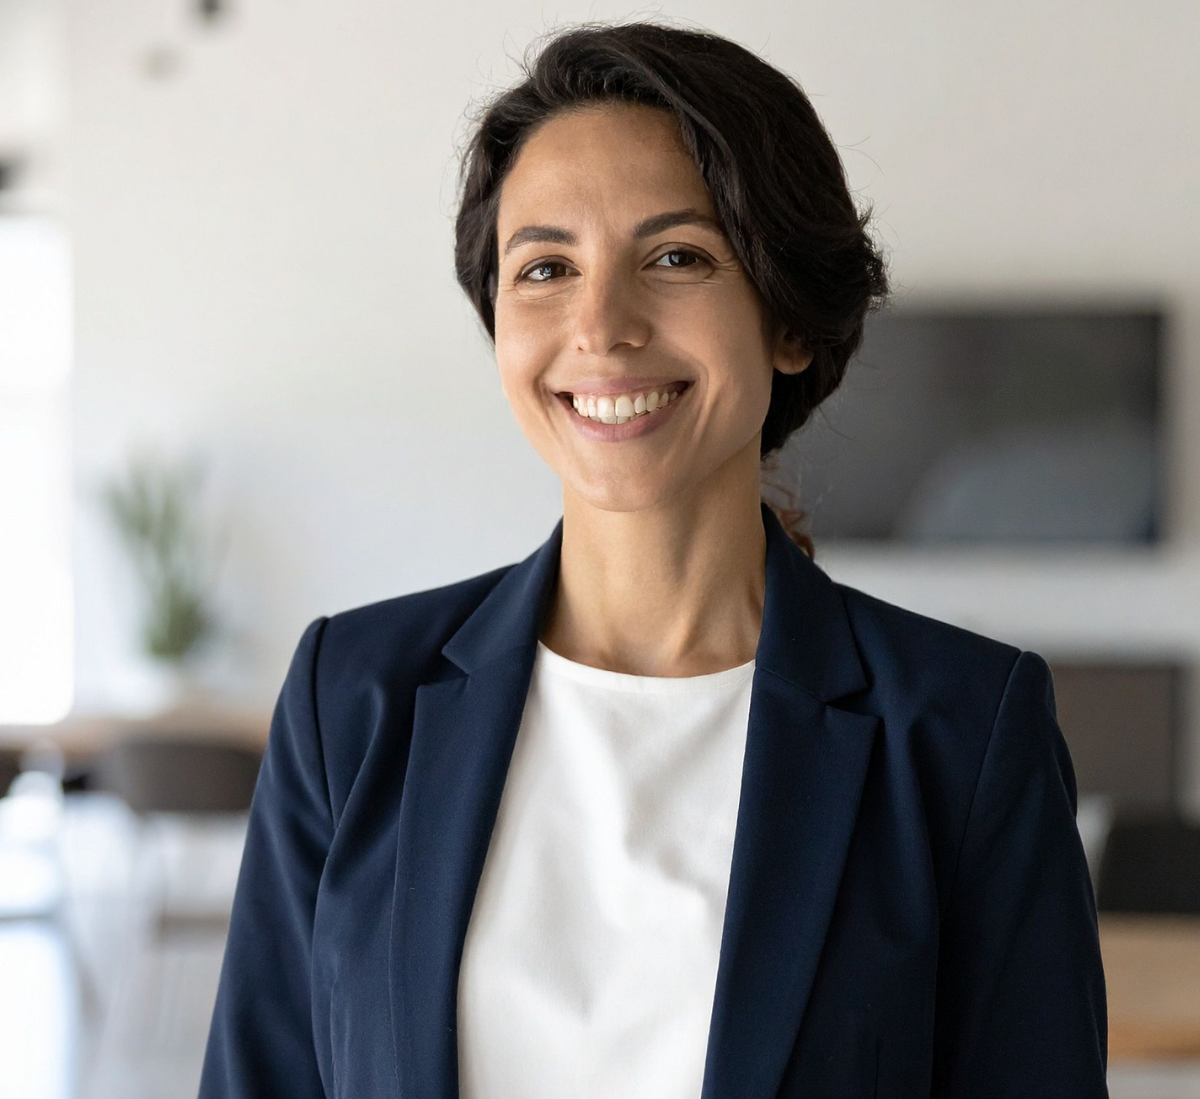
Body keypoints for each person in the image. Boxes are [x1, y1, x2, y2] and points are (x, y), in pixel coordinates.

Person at [198, 19, 1109, 1099]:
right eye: (545, 267)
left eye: (676, 256)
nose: (601, 325)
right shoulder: (349, 700)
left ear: (790, 319)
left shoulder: (962, 732)